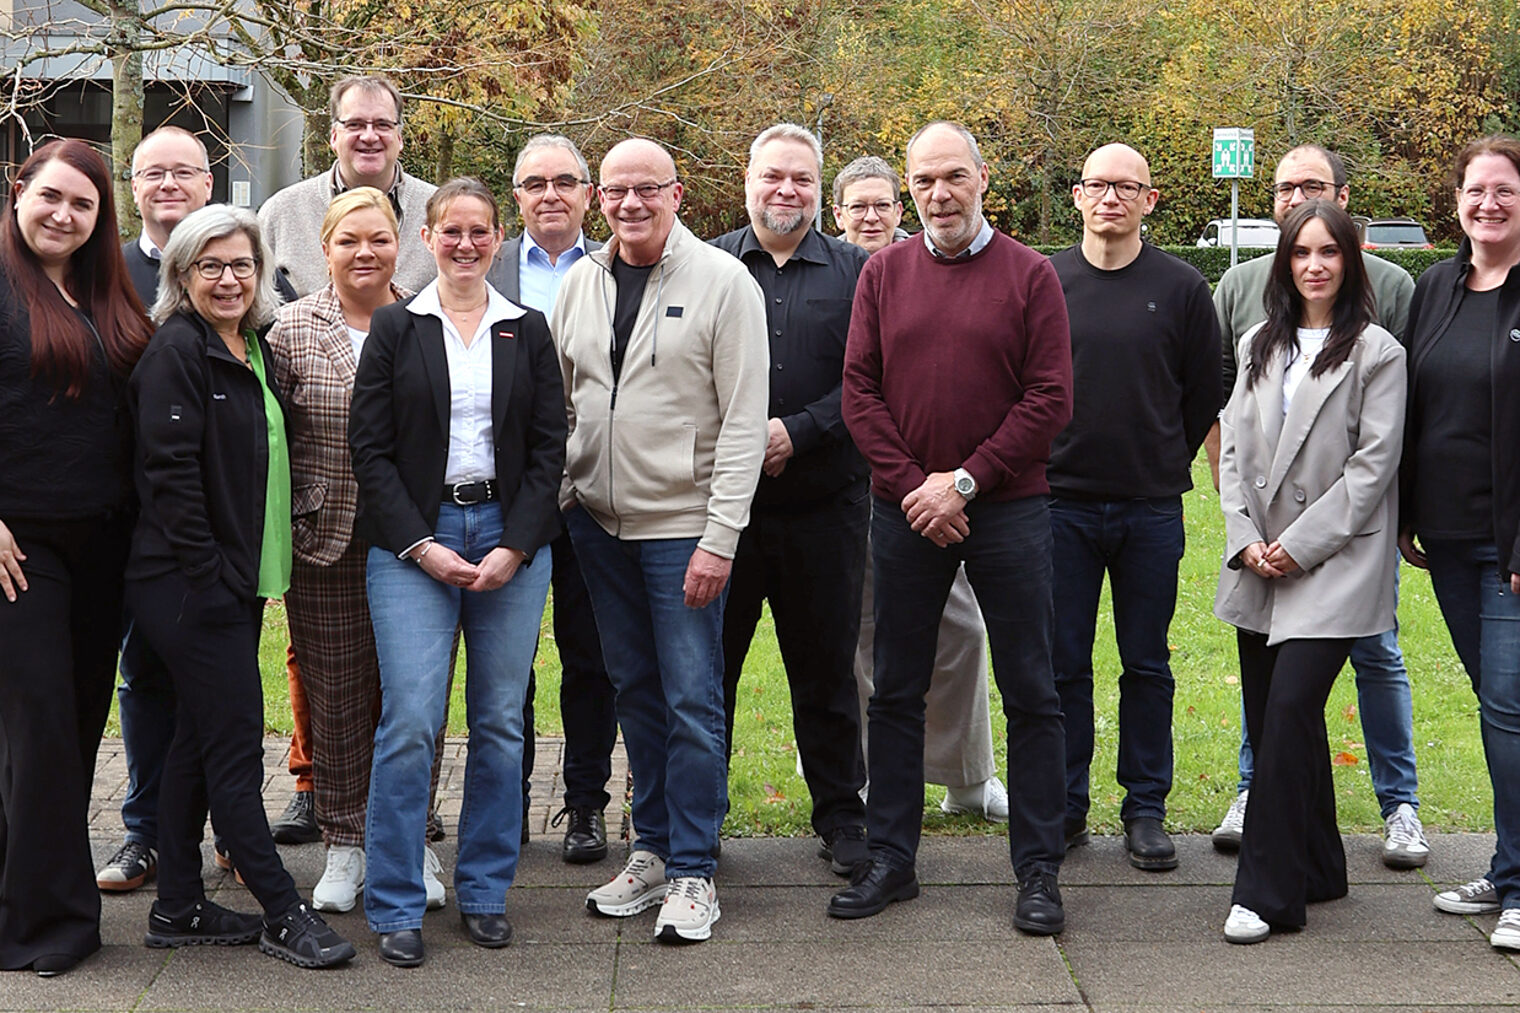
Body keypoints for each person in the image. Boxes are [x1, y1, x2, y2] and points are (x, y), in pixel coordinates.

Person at [835, 121, 1073, 935]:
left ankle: (1038, 869)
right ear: (910, 189)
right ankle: (892, 859)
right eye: (924, 181)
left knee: (1031, 690)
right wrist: (916, 490)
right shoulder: (884, 276)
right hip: (905, 512)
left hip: (1007, 508)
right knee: (896, 688)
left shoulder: (1031, 275)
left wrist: (964, 481)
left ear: (981, 178)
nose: (939, 194)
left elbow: (1049, 398)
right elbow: (858, 393)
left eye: (953, 177)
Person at [127, 203, 355, 968]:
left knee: (195, 740)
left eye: (242, 265)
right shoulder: (176, 352)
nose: (229, 279)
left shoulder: (251, 345)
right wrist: (215, 581)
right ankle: (283, 911)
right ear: (182, 276)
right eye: (210, 266)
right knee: (231, 750)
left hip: (237, 582)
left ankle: (177, 906)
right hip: (192, 588)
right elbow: (170, 481)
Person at [349, 177, 565, 968]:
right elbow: (367, 452)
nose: (467, 244)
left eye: (480, 231)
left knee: (502, 723)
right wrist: (420, 544)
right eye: (452, 231)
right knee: (410, 722)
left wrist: (516, 542)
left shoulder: (526, 330)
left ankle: (483, 891)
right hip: (417, 540)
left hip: (509, 539)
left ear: (498, 238)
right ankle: (397, 901)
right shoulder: (396, 329)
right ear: (427, 237)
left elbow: (550, 451)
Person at [556, 138, 768, 944]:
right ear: (597, 199)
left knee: (691, 698)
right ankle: (650, 851)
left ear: (678, 194)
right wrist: (568, 493)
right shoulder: (580, 282)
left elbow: (745, 421)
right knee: (634, 689)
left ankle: (693, 869)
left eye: (648, 188)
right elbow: (563, 400)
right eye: (616, 190)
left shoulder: (724, 283)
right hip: (599, 527)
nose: (631, 203)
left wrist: (721, 536)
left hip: (683, 529)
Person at [1209, 145, 1425, 870]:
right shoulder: (1255, 344)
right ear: (1284, 261)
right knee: (1279, 716)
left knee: (1292, 711)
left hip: (1333, 560)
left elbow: (1373, 469)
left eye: (1328, 251)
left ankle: (1265, 888)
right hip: (1259, 560)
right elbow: (1232, 447)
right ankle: (1323, 865)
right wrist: (1242, 536)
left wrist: (1297, 544)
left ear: (1350, 259)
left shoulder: (1379, 351)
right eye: (1300, 251)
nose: (1314, 265)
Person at [259, 73, 440, 845]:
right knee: (327, 677)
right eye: (354, 124)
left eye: (383, 125)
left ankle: (403, 821)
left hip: (418, 519)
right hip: (324, 517)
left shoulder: (437, 216)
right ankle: (327, 802)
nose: (369, 136)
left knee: (415, 685)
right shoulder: (283, 215)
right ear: (331, 131)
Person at [0, 140, 152, 976]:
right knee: (43, 729)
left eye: (83, 205)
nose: (62, 214)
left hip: (106, 544)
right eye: (50, 196)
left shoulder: (106, 290)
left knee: (70, 730)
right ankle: (45, 925)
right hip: (20, 547)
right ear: (19, 190)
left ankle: (21, 890)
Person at [1049, 143, 1221, 869]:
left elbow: (1203, 391)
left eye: (1126, 186)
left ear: (1150, 200)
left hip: (1151, 508)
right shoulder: (1045, 279)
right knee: (1062, 666)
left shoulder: (1182, 288)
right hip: (1059, 506)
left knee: (1146, 663)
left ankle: (1145, 808)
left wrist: (1159, 455)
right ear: (1079, 196)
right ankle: (1063, 804)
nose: (1110, 197)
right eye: (1096, 185)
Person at [711, 124, 871, 875]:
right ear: (748, 180)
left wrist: (798, 431)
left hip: (824, 509)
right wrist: (745, 437)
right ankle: (697, 814)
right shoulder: (706, 265)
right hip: (721, 517)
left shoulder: (859, 272)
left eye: (802, 179)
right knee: (708, 673)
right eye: (774, 176)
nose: (787, 190)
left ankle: (843, 816)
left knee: (828, 673)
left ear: (820, 187)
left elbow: (873, 381)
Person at [832, 156, 1008, 823]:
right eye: (858, 206)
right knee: (865, 640)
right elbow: (849, 387)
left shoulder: (925, 268)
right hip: (857, 490)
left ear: (898, 210)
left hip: (938, 491)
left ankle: (968, 774)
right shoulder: (833, 275)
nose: (871, 215)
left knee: (961, 631)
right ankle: (872, 774)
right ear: (839, 212)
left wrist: (939, 485)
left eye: (882, 204)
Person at [1401, 135, 1520, 951]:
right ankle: (1510, 866)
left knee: (1511, 709)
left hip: (1511, 544)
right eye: (1476, 190)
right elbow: (1411, 397)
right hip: (1445, 537)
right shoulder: (1436, 287)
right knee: (1497, 705)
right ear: (1457, 202)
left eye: (1505, 191)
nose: (1489, 204)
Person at [485, 134, 617, 865]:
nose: (550, 195)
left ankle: (587, 800)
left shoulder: (616, 267)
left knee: (590, 655)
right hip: (511, 497)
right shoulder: (490, 268)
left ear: (588, 194)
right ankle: (506, 800)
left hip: (595, 490)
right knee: (508, 660)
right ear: (518, 197)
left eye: (565, 181)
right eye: (534, 183)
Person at [95, 126, 216, 895]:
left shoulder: (231, 266)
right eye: (152, 173)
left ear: (209, 183)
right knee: (141, 677)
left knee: (217, 681)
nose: (168, 183)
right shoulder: (105, 273)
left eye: (184, 171)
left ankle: (221, 828)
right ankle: (143, 833)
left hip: (214, 523)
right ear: (131, 186)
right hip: (121, 517)